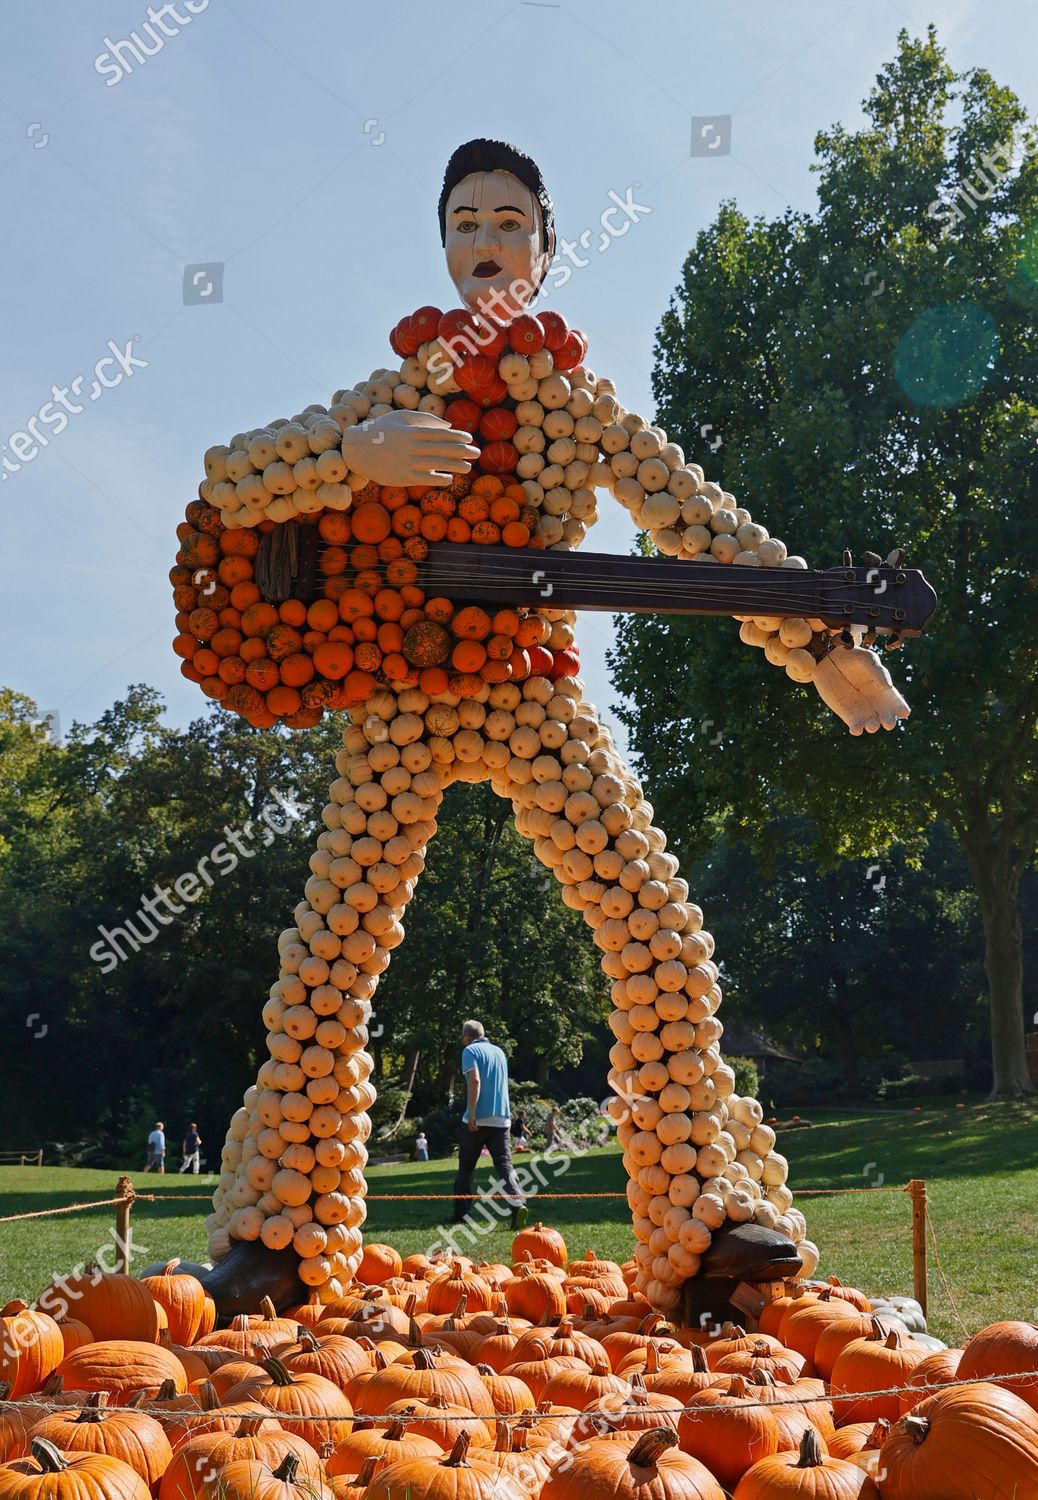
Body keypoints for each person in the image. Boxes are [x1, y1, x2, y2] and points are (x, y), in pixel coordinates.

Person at [452, 1020, 527, 1230]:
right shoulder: (499, 1052)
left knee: (466, 1167)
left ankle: (461, 1213)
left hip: (477, 1118)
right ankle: (518, 1204)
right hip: (501, 1119)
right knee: (505, 1165)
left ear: (467, 1037)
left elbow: (475, 1081)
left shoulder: (470, 1051)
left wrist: (473, 1113)